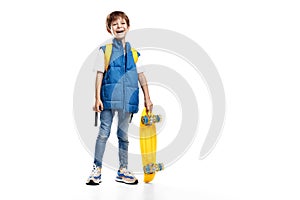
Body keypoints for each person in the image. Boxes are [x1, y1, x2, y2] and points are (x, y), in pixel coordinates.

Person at [86, 11, 153, 185]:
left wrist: (148, 98)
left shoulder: (135, 54)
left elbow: (142, 76)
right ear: (110, 29)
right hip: (108, 99)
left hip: (127, 101)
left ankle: (123, 170)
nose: (119, 27)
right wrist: (96, 98)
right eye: (115, 24)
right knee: (103, 133)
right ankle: (96, 169)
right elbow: (99, 75)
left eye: (122, 23)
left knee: (123, 136)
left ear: (128, 27)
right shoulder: (105, 51)